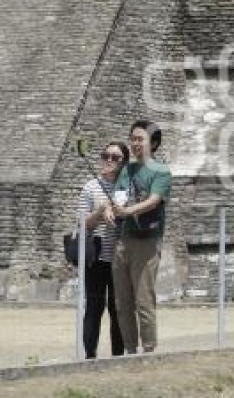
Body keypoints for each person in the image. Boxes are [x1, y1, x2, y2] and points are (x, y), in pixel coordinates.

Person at [110, 120, 172, 353]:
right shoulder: (127, 169)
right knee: (122, 303)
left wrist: (129, 210)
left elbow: (154, 200)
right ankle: (129, 349)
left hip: (147, 240)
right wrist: (112, 208)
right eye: (133, 138)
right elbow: (119, 196)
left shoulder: (161, 171)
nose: (135, 143)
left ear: (153, 142)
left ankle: (148, 349)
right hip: (124, 239)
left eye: (140, 139)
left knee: (143, 299)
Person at [75, 141, 129, 359]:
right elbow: (81, 223)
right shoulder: (90, 187)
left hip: (119, 257)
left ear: (123, 163)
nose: (109, 160)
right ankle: (89, 356)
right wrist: (99, 213)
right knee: (94, 307)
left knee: (118, 309)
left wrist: (120, 212)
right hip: (96, 257)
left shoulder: (127, 187)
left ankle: (118, 356)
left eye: (115, 158)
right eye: (106, 155)